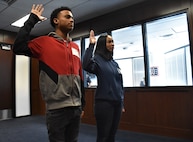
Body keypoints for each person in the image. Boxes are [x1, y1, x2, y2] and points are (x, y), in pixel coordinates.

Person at [13, 4, 85, 142]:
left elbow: (80, 75)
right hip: (57, 109)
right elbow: (18, 47)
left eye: (72, 18)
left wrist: (82, 103)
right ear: (56, 21)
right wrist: (32, 19)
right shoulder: (44, 42)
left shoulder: (75, 47)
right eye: (67, 17)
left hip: (75, 107)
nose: (72, 20)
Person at [82, 30, 124, 142]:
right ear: (102, 45)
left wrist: (121, 102)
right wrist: (91, 45)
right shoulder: (98, 60)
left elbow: (120, 83)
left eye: (113, 41)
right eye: (109, 42)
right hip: (104, 103)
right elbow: (85, 65)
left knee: (112, 136)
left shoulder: (114, 63)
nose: (112, 44)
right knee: (103, 136)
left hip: (117, 103)